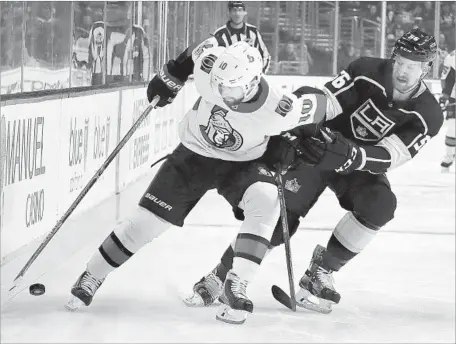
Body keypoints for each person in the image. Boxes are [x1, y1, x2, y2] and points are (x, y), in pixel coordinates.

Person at [65, 38, 328, 325]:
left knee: (267, 202)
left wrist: (307, 133)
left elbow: (318, 101)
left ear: (253, 82)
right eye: (220, 85)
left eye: (233, 88)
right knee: (144, 224)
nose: (223, 94)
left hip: (242, 165)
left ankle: (236, 283)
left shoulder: (279, 107)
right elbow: (198, 50)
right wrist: (172, 75)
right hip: (193, 155)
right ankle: (92, 273)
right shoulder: (210, 67)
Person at [185, 28, 443, 314]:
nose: (403, 72)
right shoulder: (365, 70)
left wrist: (353, 156)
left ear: (426, 68)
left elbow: (392, 155)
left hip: (359, 164)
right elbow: (327, 101)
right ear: (393, 58)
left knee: (381, 205)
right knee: (281, 217)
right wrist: (303, 126)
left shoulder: (428, 113)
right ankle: (220, 277)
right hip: (319, 148)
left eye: (413, 66)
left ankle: (320, 271)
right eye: (401, 63)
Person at [213, 1, 271, 73]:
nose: (237, 14)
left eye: (240, 10)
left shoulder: (253, 32)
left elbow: (265, 55)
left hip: (250, 79)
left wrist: (260, 73)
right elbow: (213, 58)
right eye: (234, 10)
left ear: (245, 12)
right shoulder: (220, 34)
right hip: (227, 78)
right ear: (229, 13)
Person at [439, 50, 455, 171]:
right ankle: (449, 156)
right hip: (455, 96)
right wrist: (445, 95)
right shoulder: (452, 57)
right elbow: (446, 77)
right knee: (453, 127)